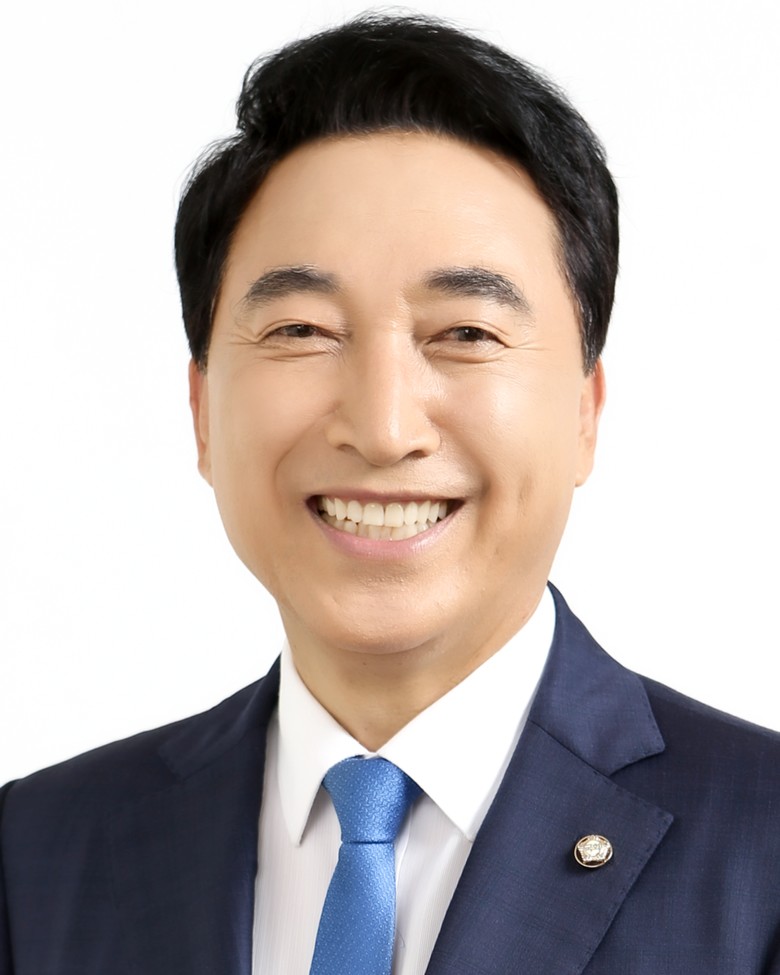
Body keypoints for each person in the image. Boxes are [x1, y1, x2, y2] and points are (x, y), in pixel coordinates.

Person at [1, 13, 778, 974]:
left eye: (466, 333)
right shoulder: (37, 852)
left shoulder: (762, 853)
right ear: (202, 411)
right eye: (300, 331)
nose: (382, 425)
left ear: (585, 410)